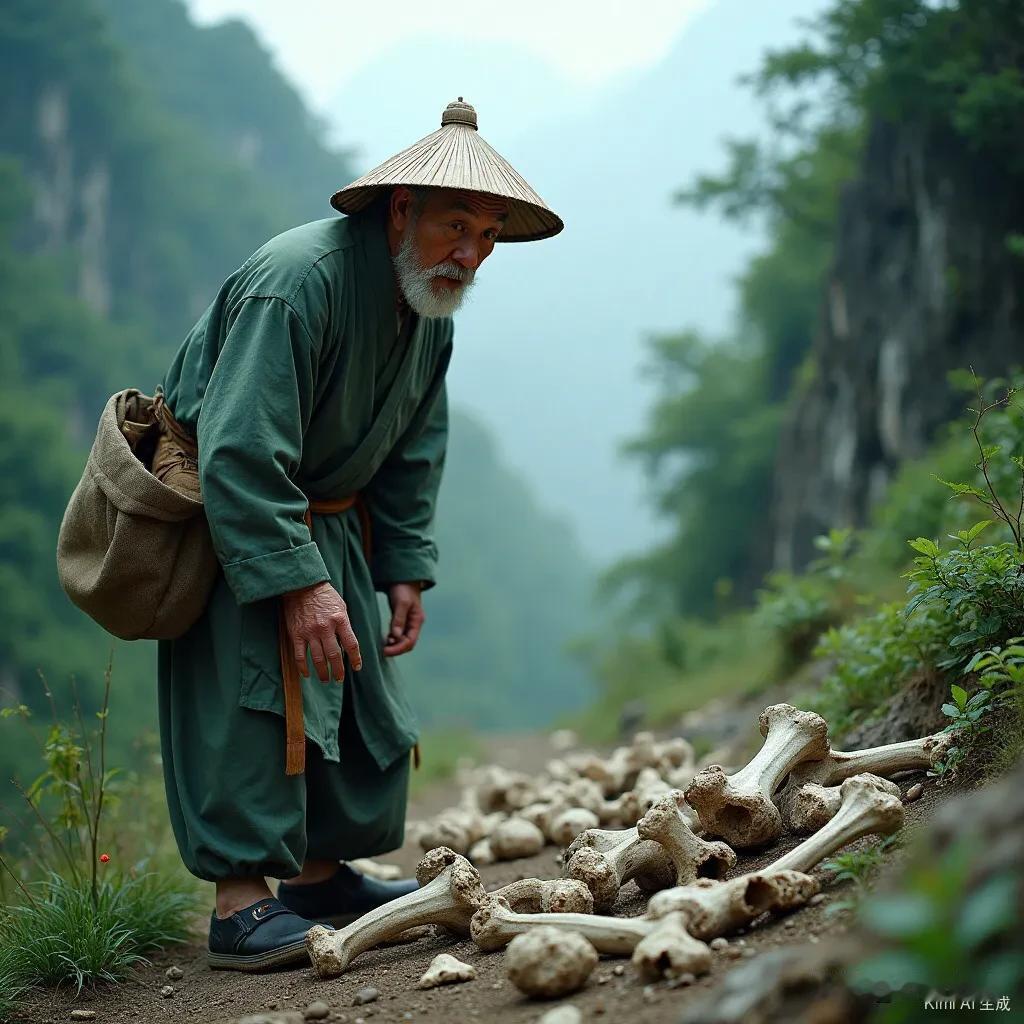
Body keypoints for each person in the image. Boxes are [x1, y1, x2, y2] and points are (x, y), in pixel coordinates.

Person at [154, 98, 562, 971]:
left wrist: (403, 564)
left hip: (333, 519)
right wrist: (296, 581)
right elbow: (238, 445)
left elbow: (417, 443)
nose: (472, 253)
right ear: (401, 211)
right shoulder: (296, 281)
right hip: (240, 517)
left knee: (350, 695)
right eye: (458, 225)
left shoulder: (428, 306)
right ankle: (237, 908)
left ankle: (319, 878)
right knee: (251, 698)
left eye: (488, 234)